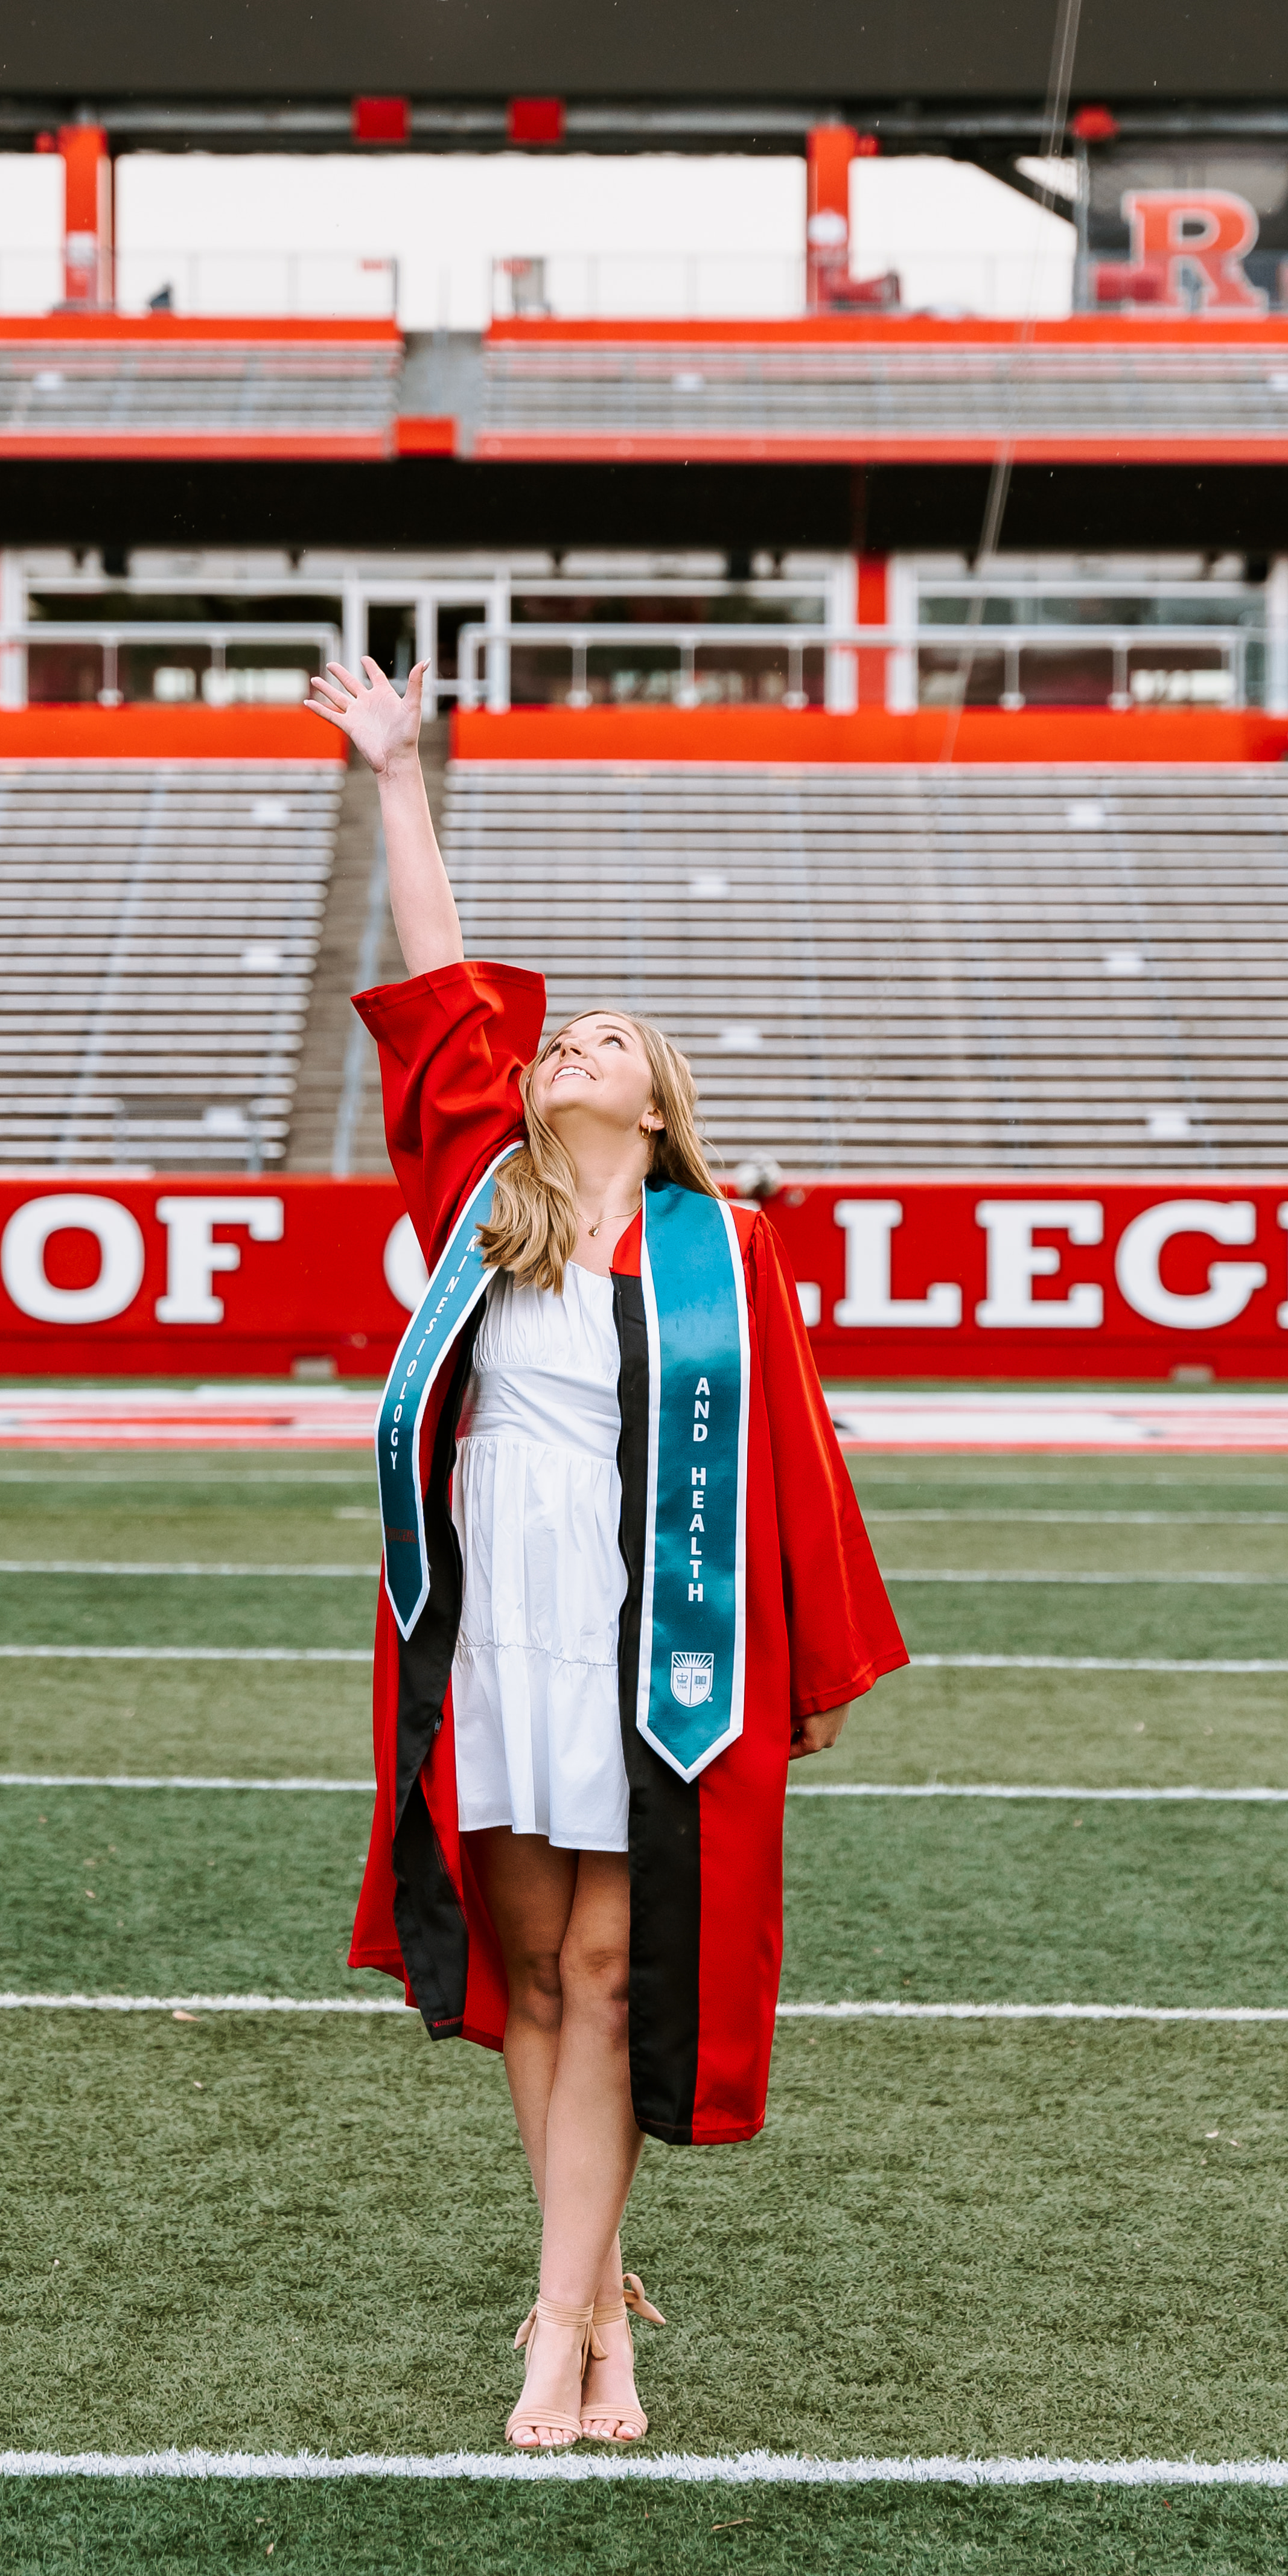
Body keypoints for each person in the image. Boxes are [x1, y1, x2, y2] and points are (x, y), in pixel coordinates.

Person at [307, 653, 908, 2452]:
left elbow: (789, 1468)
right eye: (566, 1035)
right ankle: (598, 2309)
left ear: (655, 1107)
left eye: (610, 1038)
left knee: (607, 1975)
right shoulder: (479, 1217)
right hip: (490, 1637)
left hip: (656, 1653)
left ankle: (562, 2324)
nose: (573, 1040)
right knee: (526, 1980)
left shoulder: (726, 1259)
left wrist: (794, 1671)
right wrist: (398, 778)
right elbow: (439, 987)